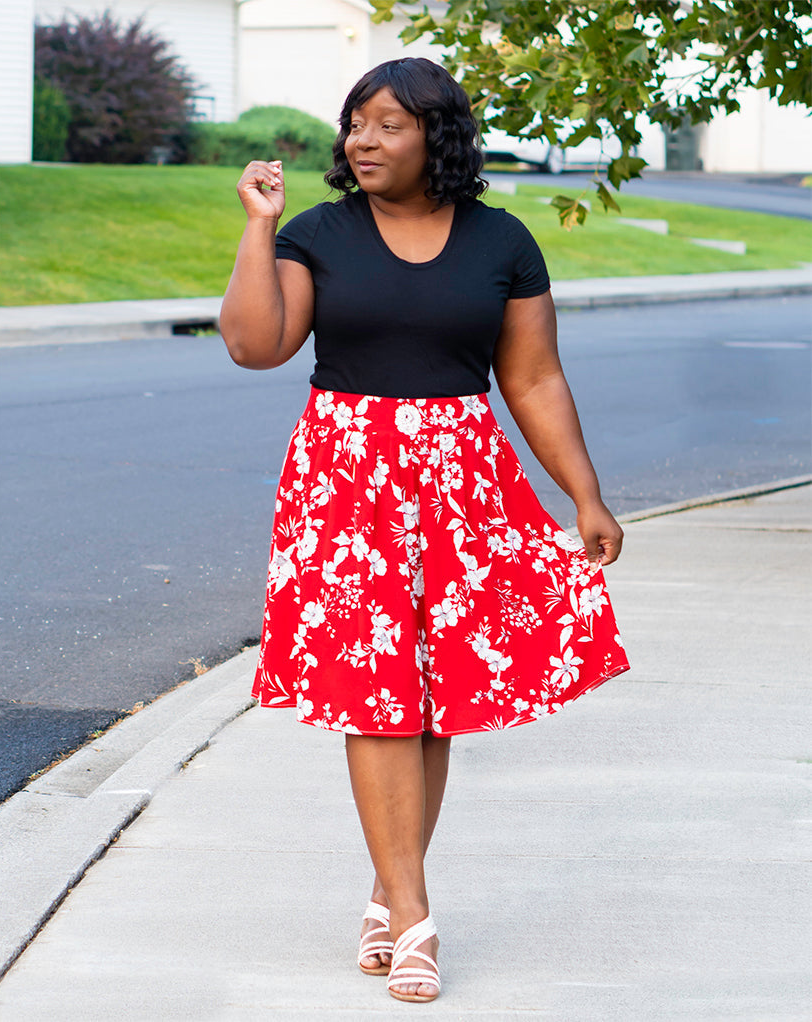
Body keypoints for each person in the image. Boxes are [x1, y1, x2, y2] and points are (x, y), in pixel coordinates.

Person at [219, 57, 629, 1005]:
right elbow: (255, 344)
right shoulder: (319, 233)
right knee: (375, 696)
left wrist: (585, 494)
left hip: (463, 480)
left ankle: (387, 891)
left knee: (435, 698)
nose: (364, 141)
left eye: (389, 125)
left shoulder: (503, 240)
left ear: (436, 136)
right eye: (356, 124)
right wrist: (258, 227)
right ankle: (413, 916)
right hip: (346, 481)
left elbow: (532, 379)